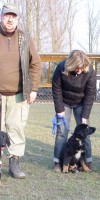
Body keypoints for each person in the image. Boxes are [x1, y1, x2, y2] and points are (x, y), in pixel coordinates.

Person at [0, 3, 41, 178]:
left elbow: (36, 64)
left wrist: (33, 89)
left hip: (18, 94)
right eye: (7, 15)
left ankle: (14, 164)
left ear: (17, 19)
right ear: (1, 16)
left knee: (16, 129)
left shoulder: (25, 38)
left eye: (13, 16)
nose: (10, 19)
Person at [52, 49, 96, 172]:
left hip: (81, 103)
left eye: (82, 68)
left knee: (85, 133)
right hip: (64, 102)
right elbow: (56, 89)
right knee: (62, 132)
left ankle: (87, 161)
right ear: (71, 64)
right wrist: (59, 109)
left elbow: (90, 93)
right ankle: (57, 162)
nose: (80, 70)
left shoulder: (90, 71)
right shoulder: (61, 68)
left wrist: (85, 115)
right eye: (77, 68)